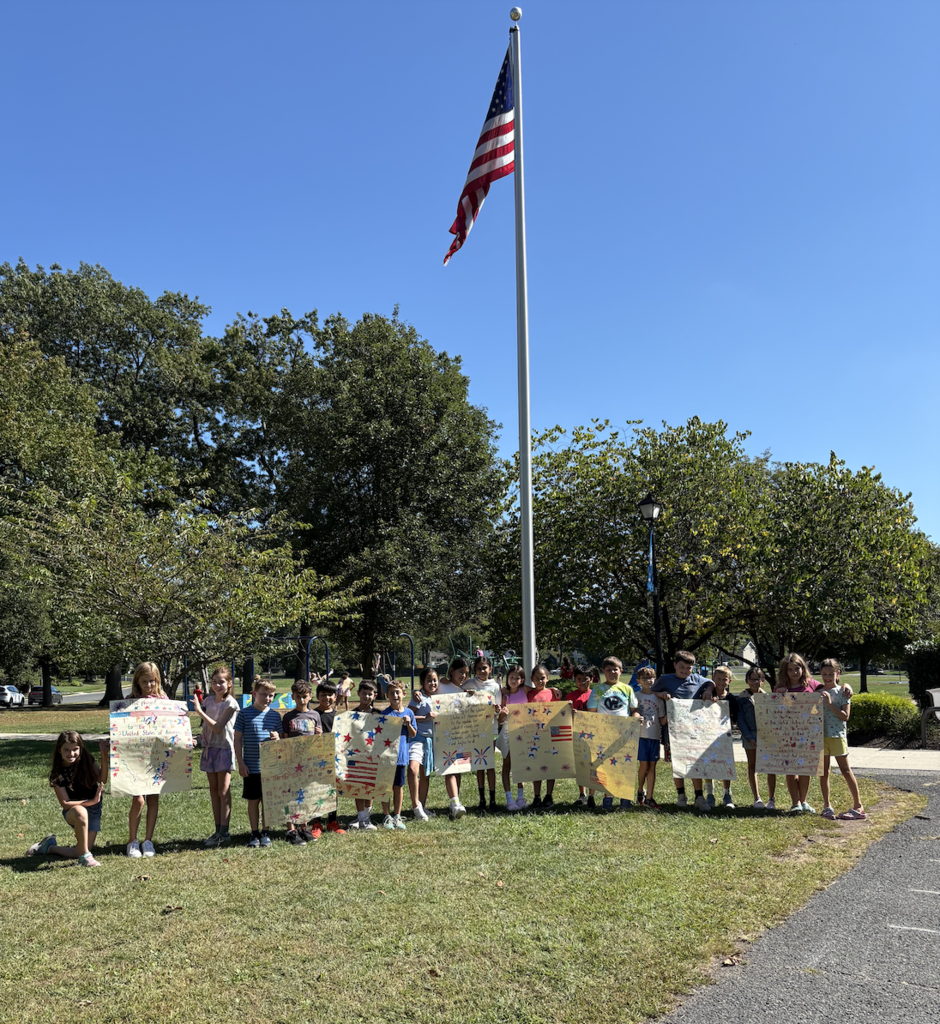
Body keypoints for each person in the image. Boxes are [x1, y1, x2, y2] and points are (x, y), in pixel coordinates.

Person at [27, 730, 108, 867]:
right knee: (80, 812)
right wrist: (91, 801)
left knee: (79, 850)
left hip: (94, 810)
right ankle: (86, 858)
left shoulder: (86, 759)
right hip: (73, 811)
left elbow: (102, 779)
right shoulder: (57, 774)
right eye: (66, 750)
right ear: (59, 750)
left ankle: (48, 847)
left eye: (75, 749)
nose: (71, 754)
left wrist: (104, 756)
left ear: (81, 749)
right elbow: (65, 803)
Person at [652, 651, 711, 811]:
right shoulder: (665, 679)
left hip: (693, 730)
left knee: (694, 761)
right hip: (672, 730)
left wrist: (708, 690)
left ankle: (699, 796)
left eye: (689, 668)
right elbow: (652, 692)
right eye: (682, 667)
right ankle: (681, 795)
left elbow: (710, 683)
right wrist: (661, 694)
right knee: (677, 762)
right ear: (675, 665)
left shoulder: (697, 679)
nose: (685, 670)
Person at [191, 665, 239, 847]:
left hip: (224, 749)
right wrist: (198, 738)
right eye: (214, 682)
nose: (218, 685)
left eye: (222, 682)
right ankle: (217, 830)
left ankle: (225, 832)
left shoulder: (231, 703)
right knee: (213, 791)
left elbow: (218, 728)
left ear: (229, 683)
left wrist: (199, 711)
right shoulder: (209, 701)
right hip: (209, 749)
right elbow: (207, 729)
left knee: (223, 791)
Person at [125, 662, 170, 857]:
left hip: (156, 755)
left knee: (153, 798)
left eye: (152, 681)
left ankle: (148, 841)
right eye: (144, 681)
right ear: (137, 681)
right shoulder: (129, 700)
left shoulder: (163, 699)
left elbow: (171, 725)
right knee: (138, 799)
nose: (149, 685)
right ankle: (132, 841)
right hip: (136, 756)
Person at [234, 676, 282, 847]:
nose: (267, 698)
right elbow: (237, 740)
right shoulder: (244, 714)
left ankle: (265, 832)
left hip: (270, 768)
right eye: (263, 694)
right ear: (254, 693)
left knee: (267, 801)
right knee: (253, 801)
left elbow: (282, 742)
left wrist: (277, 738)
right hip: (251, 767)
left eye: (271, 695)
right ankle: (254, 833)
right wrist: (240, 763)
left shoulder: (275, 716)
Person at [818, 659, 866, 820]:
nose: (827, 677)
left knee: (845, 770)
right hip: (820, 737)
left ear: (837, 674)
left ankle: (858, 806)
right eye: (824, 674)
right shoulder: (817, 692)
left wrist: (830, 704)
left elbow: (845, 717)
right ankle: (827, 806)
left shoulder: (843, 693)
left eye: (831, 674)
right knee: (824, 772)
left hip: (837, 736)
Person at [591, 658, 641, 810]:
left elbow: (634, 710)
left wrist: (636, 719)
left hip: (625, 735)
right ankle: (608, 798)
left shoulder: (627, 689)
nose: (612, 672)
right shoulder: (597, 690)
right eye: (609, 670)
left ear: (621, 671)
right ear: (603, 671)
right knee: (607, 767)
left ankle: (625, 797)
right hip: (604, 735)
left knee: (624, 765)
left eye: (615, 669)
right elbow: (592, 713)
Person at [280, 679, 323, 846]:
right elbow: (284, 740)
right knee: (290, 795)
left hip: (309, 762)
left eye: (305, 696)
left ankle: (304, 826)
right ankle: (291, 828)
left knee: (304, 795)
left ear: (310, 696)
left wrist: (319, 736)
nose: (302, 700)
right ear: (293, 697)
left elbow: (319, 742)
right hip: (291, 762)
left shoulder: (315, 716)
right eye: (298, 697)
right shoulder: (288, 717)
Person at [304, 681, 346, 838]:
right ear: (317, 696)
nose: (326, 698)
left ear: (335, 696)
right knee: (316, 790)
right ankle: (316, 822)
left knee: (332, 791)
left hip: (334, 760)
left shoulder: (339, 718)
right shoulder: (312, 716)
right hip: (316, 760)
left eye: (330, 695)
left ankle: (332, 821)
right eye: (323, 695)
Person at [693, 665, 737, 808]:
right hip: (706, 736)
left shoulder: (731, 699)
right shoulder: (704, 696)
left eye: (724, 679)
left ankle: (727, 794)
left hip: (724, 737)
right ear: (713, 679)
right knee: (707, 763)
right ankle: (709, 794)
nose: (721, 682)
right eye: (718, 679)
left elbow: (735, 718)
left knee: (726, 763)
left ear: (729, 681)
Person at [380, 680, 417, 829]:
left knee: (398, 787)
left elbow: (413, 735)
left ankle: (397, 815)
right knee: (386, 787)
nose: (395, 695)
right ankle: (386, 815)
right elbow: (379, 735)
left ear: (403, 694)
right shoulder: (385, 714)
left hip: (401, 757)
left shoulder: (409, 713)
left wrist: (408, 724)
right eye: (392, 693)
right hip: (387, 757)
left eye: (397, 692)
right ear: (387, 696)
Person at [736, 666, 775, 808]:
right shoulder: (741, 699)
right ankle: (756, 798)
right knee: (752, 766)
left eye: (758, 679)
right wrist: (748, 736)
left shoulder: (767, 698)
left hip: (766, 737)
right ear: (747, 681)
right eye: (752, 679)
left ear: (763, 680)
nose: (755, 682)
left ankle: (771, 799)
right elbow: (740, 719)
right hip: (750, 736)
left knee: (770, 767)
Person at [468, 656, 501, 811]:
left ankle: (492, 799)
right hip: (474, 730)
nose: (482, 671)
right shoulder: (469, 684)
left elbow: (499, 708)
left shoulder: (495, 686)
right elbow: (455, 692)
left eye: (485, 668)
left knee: (490, 765)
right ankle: (482, 799)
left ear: (490, 669)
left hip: (490, 730)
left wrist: (497, 710)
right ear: (475, 670)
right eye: (479, 668)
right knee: (479, 765)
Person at [407, 667, 438, 821]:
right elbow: (407, 715)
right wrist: (424, 717)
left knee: (425, 776)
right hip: (417, 739)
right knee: (413, 771)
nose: (432, 683)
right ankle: (415, 805)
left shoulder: (437, 697)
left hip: (431, 742)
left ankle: (422, 806)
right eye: (429, 680)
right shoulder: (418, 698)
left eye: (434, 680)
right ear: (422, 682)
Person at [527, 664, 559, 809]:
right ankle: (537, 796)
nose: (540, 681)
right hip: (534, 736)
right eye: (536, 678)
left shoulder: (553, 694)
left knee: (551, 765)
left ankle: (549, 795)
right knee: (536, 766)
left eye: (543, 678)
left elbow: (559, 713)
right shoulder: (529, 694)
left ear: (548, 678)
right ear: (531, 679)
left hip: (550, 735)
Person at [497, 665, 529, 811]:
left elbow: (541, 690)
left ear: (522, 680)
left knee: (521, 763)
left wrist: (555, 690)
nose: (514, 680)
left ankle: (520, 797)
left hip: (523, 731)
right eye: (511, 677)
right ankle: (509, 798)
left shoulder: (526, 690)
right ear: (507, 678)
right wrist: (502, 714)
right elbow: (499, 720)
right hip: (508, 732)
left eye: (517, 678)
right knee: (507, 763)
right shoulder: (504, 695)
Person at [350, 680, 380, 831]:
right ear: (358, 694)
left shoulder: (379, 715)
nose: (367, 696)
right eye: (364, 693)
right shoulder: (351, 714)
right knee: (358, 785)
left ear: (375, 695)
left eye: (370, 694)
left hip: (373, 756)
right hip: (356, 756)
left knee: (370, 786)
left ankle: (366, 817)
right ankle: (360, 816)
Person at [635, 667, 666, 809]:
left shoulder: (658, 699)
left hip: (654, 736)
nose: (648, 681)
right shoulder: (635, 696)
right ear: (638, 681)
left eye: (651, 678)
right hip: (640, 736)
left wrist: (673, 710)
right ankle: (640, 790)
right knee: (643, 766)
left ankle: (649, 798)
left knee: (652, 766)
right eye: (644, 678)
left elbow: (662, 720)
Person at [568, 668, 593, 806]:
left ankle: (591, 794)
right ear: (575, 680)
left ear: (592, 679)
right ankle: (582, 794)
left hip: (592, 735)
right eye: (579, 679)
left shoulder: (595, 695)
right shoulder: (571, 696)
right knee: (580, 765)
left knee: (592, 764)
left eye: (585, 679)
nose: (582, 682)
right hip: (577, 735)